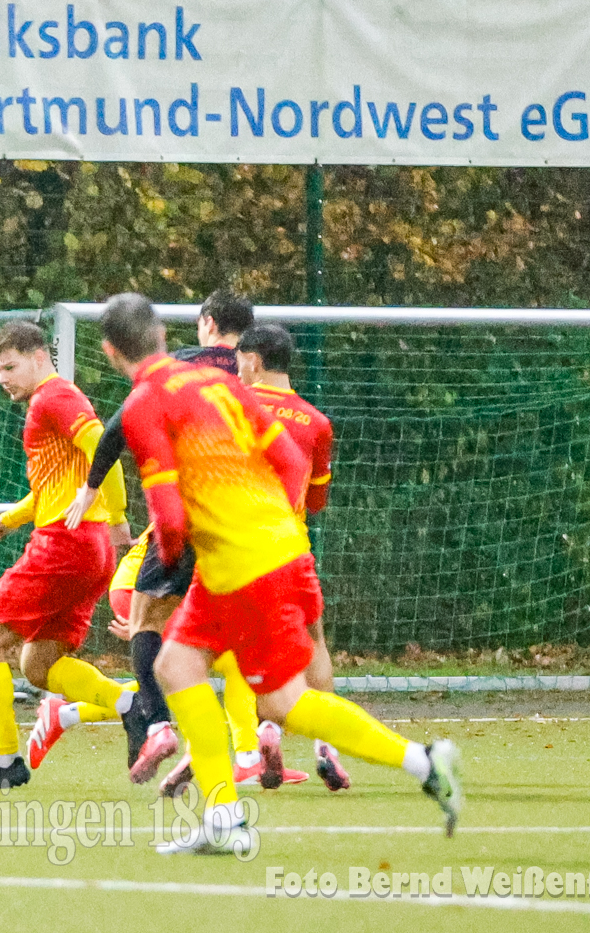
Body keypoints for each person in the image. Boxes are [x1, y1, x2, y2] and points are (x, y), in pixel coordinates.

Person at [100, 294, 462, 853]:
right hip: (271, 550)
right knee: (177, 665)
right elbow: (291, 462)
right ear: (163, 337)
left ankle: (422, 761)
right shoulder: (219, 383)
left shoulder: (144, 403)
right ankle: (223, 817)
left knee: (281, 703)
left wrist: (166, 571)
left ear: (108, 351)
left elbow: (168, 518)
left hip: (243, 565)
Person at [44, 289, 257, 784]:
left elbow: (116, 432)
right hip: (247, 524)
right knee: (235, 654)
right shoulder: (253, 374)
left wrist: (91, 488)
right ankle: (253, 750)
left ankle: (158, 724)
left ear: (207, 323)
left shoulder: (172, 374)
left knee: (147, 626)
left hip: (185, 518)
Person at [159, 323, 344, 795]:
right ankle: (325, 746)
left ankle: (214, 747)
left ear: (253, 360)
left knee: (204, 649)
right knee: (314, 641)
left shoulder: (230, 407)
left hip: (228, 546)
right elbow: (316, 500)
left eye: (238, 358)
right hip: (289, 549)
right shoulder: (316, 422)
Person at [0, 320, 142, 790]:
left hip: (65, 545)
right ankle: (130, 705)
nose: (2, 378)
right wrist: (9, 519)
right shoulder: (51, 401)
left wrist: (119, 514)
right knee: (38, 665)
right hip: (88, 546)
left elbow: (104, 447)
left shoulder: (54, 398)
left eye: (10, 367)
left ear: (39, 357)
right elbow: (54, 487)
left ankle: (5, 762)